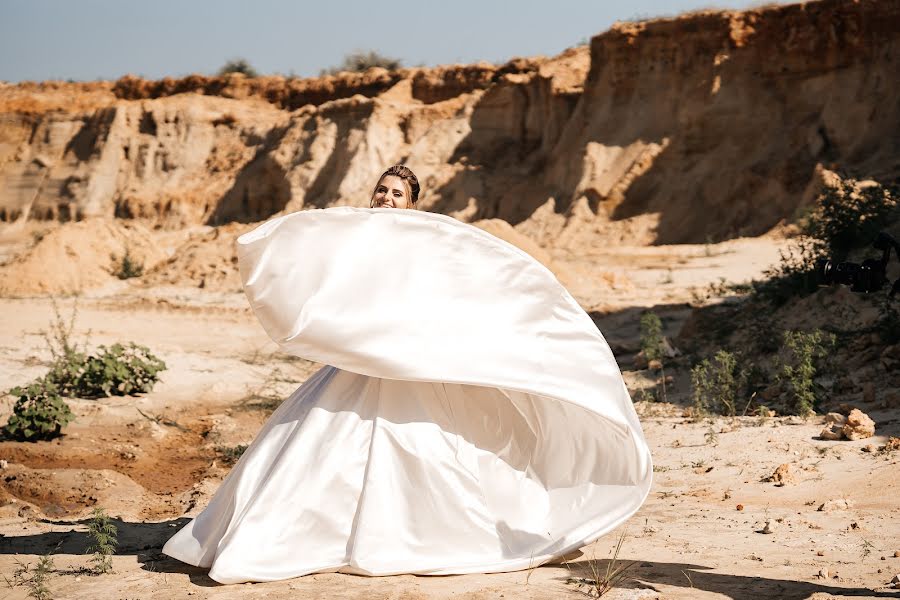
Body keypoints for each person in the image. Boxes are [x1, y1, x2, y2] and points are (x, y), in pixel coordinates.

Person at [161, 165, 652, 584]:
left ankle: (420, 533)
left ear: (413, 205)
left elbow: (453, 290)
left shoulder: (427, 241)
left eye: (396, 193)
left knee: (425, 446)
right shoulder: (353, 237)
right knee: (314, 445)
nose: (385, 197)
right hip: (362, 362)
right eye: (381, 189)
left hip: (413, 361)